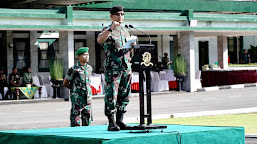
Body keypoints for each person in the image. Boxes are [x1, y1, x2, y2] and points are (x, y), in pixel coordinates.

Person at [97, 5, 136, 131]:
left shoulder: (125, 31)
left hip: (125, 68)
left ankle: (120, 120)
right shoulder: (107, 29)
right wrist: (110, 29)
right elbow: (99, 40)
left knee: (124, 94)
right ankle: (111, 122)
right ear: (111, 16)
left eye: (122, 14)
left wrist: (132, 45)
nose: (120, 17)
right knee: (111, 95)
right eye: (118, 14)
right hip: (113, 68)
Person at [63, 47, 93, 127]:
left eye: (88, 55)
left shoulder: (89, 68)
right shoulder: (73, 69)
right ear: (79, 56)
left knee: (87, 122)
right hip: (77, 100)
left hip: (88, 100)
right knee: (76, 123)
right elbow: (65, 83)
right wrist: (75, 90)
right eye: (84, 55)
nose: (87, 56)